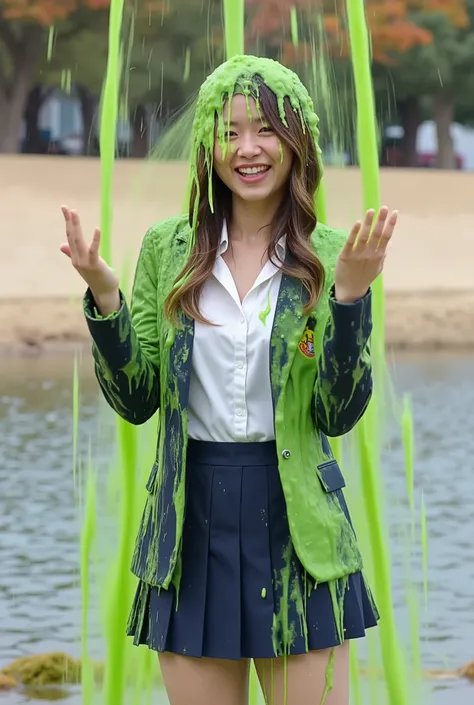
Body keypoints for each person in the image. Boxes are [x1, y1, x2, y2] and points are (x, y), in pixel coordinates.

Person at [60, 55, 397, 705]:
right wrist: (105, 297)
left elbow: (337, 411)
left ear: (298, 141)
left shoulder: (333, 253)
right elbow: (137, 399)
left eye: (266, 129)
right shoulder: (167, 248)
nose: (247, 148)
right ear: (207, 144)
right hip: (190, 524)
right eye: (230, 129)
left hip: (300, 523)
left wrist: (351, 298)